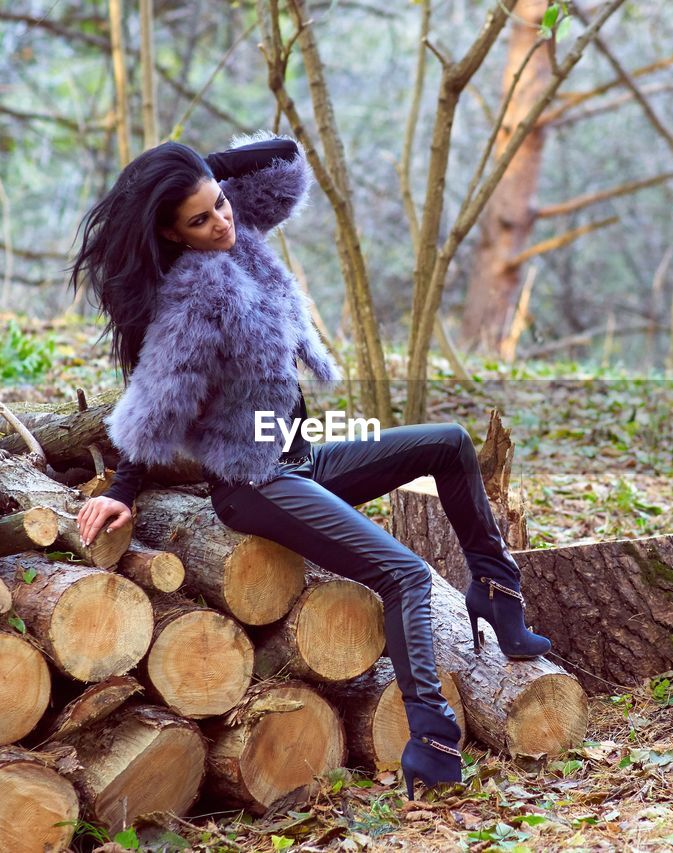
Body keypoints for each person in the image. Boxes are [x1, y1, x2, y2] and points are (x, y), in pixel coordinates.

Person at [68, 131, 551, 800]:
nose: (222, 221)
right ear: (174, 235)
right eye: (200, 219)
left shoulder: (239, 236)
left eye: (219, 204)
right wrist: (122, 489)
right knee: (405, 574)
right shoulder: (190, 301)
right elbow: (152, 413)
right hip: (256, 483)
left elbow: (287, 159)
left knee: (450, 442)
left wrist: (210, 168)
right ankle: (433, 742)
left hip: (301, 457)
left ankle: (496, 595)